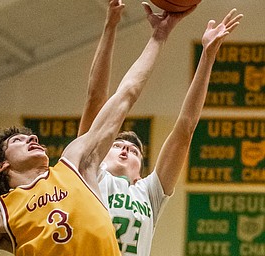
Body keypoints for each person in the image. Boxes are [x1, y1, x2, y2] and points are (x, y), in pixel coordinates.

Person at [0, 0, 191, 255]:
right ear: (2, 165)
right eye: (18, 141)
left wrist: (159, 36)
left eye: (30, 137)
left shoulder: (74, 165)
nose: (32, 140)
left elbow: (126, 94)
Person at [78, 2, 243, 255]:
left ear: (141, 169)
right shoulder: (90, 173)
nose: (125, 151)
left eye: (134, 151)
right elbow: (95, 99)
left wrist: (208, 56)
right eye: (118, 146)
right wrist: (110, 25)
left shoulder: (149, 193)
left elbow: (185, 129)